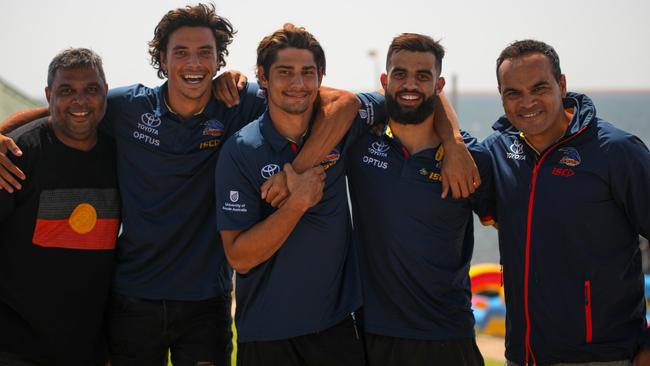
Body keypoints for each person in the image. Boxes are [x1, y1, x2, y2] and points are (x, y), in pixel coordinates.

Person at [0, 4, 363, 365]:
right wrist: (1, 134)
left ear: (219, 59)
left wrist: (297, 171)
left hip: (204, 299)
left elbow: (342, 102)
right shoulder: (129, 106)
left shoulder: (239, 101)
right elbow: (65, 109)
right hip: (132, 298)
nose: (194, 63)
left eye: (205, 52)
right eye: (181, 52)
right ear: (163, 57)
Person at [215, 23, 389, 366]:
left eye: (307, 72)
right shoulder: (240, 151)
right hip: (266, 335)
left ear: (321, 76)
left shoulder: (341, 124)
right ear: (262, 78)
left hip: (337, 328)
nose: (297, 84)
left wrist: (456, 146)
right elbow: (239, 257)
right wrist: (297, 203)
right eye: (285, 72)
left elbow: (411, 96)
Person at [482, 39, 650, 366]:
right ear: (501, 96)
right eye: (513, 93)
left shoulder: (616, 151)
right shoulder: (497, 153)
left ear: (562, 85)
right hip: (522, 356)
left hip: (605, 357)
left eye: (539, 87)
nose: (527, 102)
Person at [345, 33, 491, 366]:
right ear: (384, 81)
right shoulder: (359, 145)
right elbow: (323, 103)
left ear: (439, 85)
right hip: (373, 336)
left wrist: (454, 144)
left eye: (423, 76)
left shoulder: (472, 159)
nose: (410, 84)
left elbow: (513, 229)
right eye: (400, 74)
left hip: (448, 337)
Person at [0, 48, 118, 366]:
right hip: (15, 348)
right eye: (66, 91)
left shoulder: (120, 155)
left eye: (90, 89)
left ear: (105, 92)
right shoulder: (16, 155)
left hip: (89, 350)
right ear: (49, 95)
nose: (80, 101)